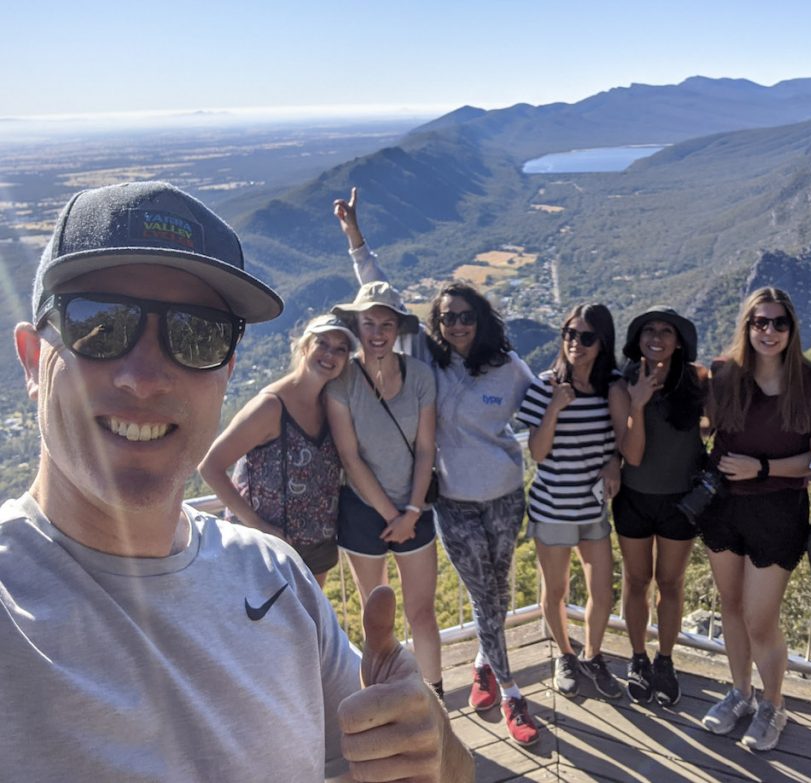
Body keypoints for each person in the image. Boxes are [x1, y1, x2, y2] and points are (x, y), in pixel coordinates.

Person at [0, 181, 472, 782]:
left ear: (226, 371)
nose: (144, 378)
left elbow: (434, 770)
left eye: (196, 334)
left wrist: (434, 742)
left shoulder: (277, 579)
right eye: (100, 324)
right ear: (30, 359)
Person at [334, 188, 541, 745]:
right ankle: (512, 691)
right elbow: (383, 303)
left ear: (481, 319)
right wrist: (355, 238)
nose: (455, 325)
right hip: (450, 501)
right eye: (447, 317)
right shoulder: (426, 356)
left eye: (465, 317)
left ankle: (478, 661)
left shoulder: (508, 367)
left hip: (504, 495)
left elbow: (548, 405)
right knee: (480, 594)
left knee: (496, 592)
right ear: (437, 323)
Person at [698, 287, 811, 751]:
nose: (769, 331)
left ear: (791, 329)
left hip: (778, 509)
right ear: (747, 326)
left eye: (779, 323)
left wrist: (764, 468)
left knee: (760, 619)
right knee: (731, 607)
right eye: (760, 322)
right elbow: (698, 426)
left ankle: (773, 705)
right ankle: (740, 693)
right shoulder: (724, 376)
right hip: (723, 507)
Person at [325, 278, 444, 697]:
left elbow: (427, 447)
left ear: (398, 330)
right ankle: (382, 704)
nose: (377, 333)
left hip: (413, 510)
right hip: (362, 511)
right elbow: (349, 456)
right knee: (376, 620)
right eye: (368, 323)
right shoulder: (342, 382)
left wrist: (411, 511)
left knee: (422, 614)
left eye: (386, 324)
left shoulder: (421, 377)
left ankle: (435, 702)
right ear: (357, 326)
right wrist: (395, 515)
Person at [200, 313, 356, 587]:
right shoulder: (271, 406)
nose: (330, 354)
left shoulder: (332, 405)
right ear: (305, 346)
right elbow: (210, 466)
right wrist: (256, 525)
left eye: (340, 349)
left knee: (305, 624)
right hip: (263, 547)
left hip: (316, 546)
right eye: (323, 343)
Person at [516, 303, 623, 701]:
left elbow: (617, 440)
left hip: (592, 507)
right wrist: (555, 409)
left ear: (602, 342)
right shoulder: (545, 386)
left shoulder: (613, 387)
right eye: (569, 334)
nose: (575, 343)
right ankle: (564, 653)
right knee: (556, 590)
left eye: (586, 336)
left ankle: (593, 654)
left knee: (603, 589)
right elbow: (539, 453)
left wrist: (614, 461)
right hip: (552, 507)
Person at [607, 306, 706, 706]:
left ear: (679, 341)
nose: (658, 337)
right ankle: (638, 657)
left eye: (667, 331)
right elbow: (632, 455)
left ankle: (665, 660)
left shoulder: (698, 382)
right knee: (635, 581)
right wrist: (638, 404)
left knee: (670, 583)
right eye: (650, 329)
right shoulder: (622, 386)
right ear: (638, 338)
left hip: (681, 501)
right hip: (635, 497)